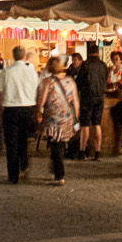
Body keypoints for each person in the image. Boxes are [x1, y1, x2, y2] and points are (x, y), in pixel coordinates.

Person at [0, 45, 38, 183]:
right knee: (24, 140)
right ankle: (23, 166)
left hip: (11, 109)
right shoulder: (32, 72)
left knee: (11, 143)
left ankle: (13, 174)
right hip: (28, 108)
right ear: (24, 56)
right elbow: (37, 90)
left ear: (13, 56)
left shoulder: (7, 72)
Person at [35, 55, 79, 185]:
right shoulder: (70, 81)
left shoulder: (47, 82)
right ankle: (55, 170)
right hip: (67, 117)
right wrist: (76, 117)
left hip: (53, 118)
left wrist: (39, 112)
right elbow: (75, 101)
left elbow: (41, 101)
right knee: (58, 145)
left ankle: (59, 174)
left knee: (56, 145)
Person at [77, 46, 108, 160]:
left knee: (85, 125)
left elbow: (78, 82)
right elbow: (106, 80)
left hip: (87, 97)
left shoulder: (85, 65)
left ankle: (82, 151)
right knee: (97, 124)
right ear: (98, 53)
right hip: (100, 97)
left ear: (89, 53)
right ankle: (97, 152)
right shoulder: (103, 65)